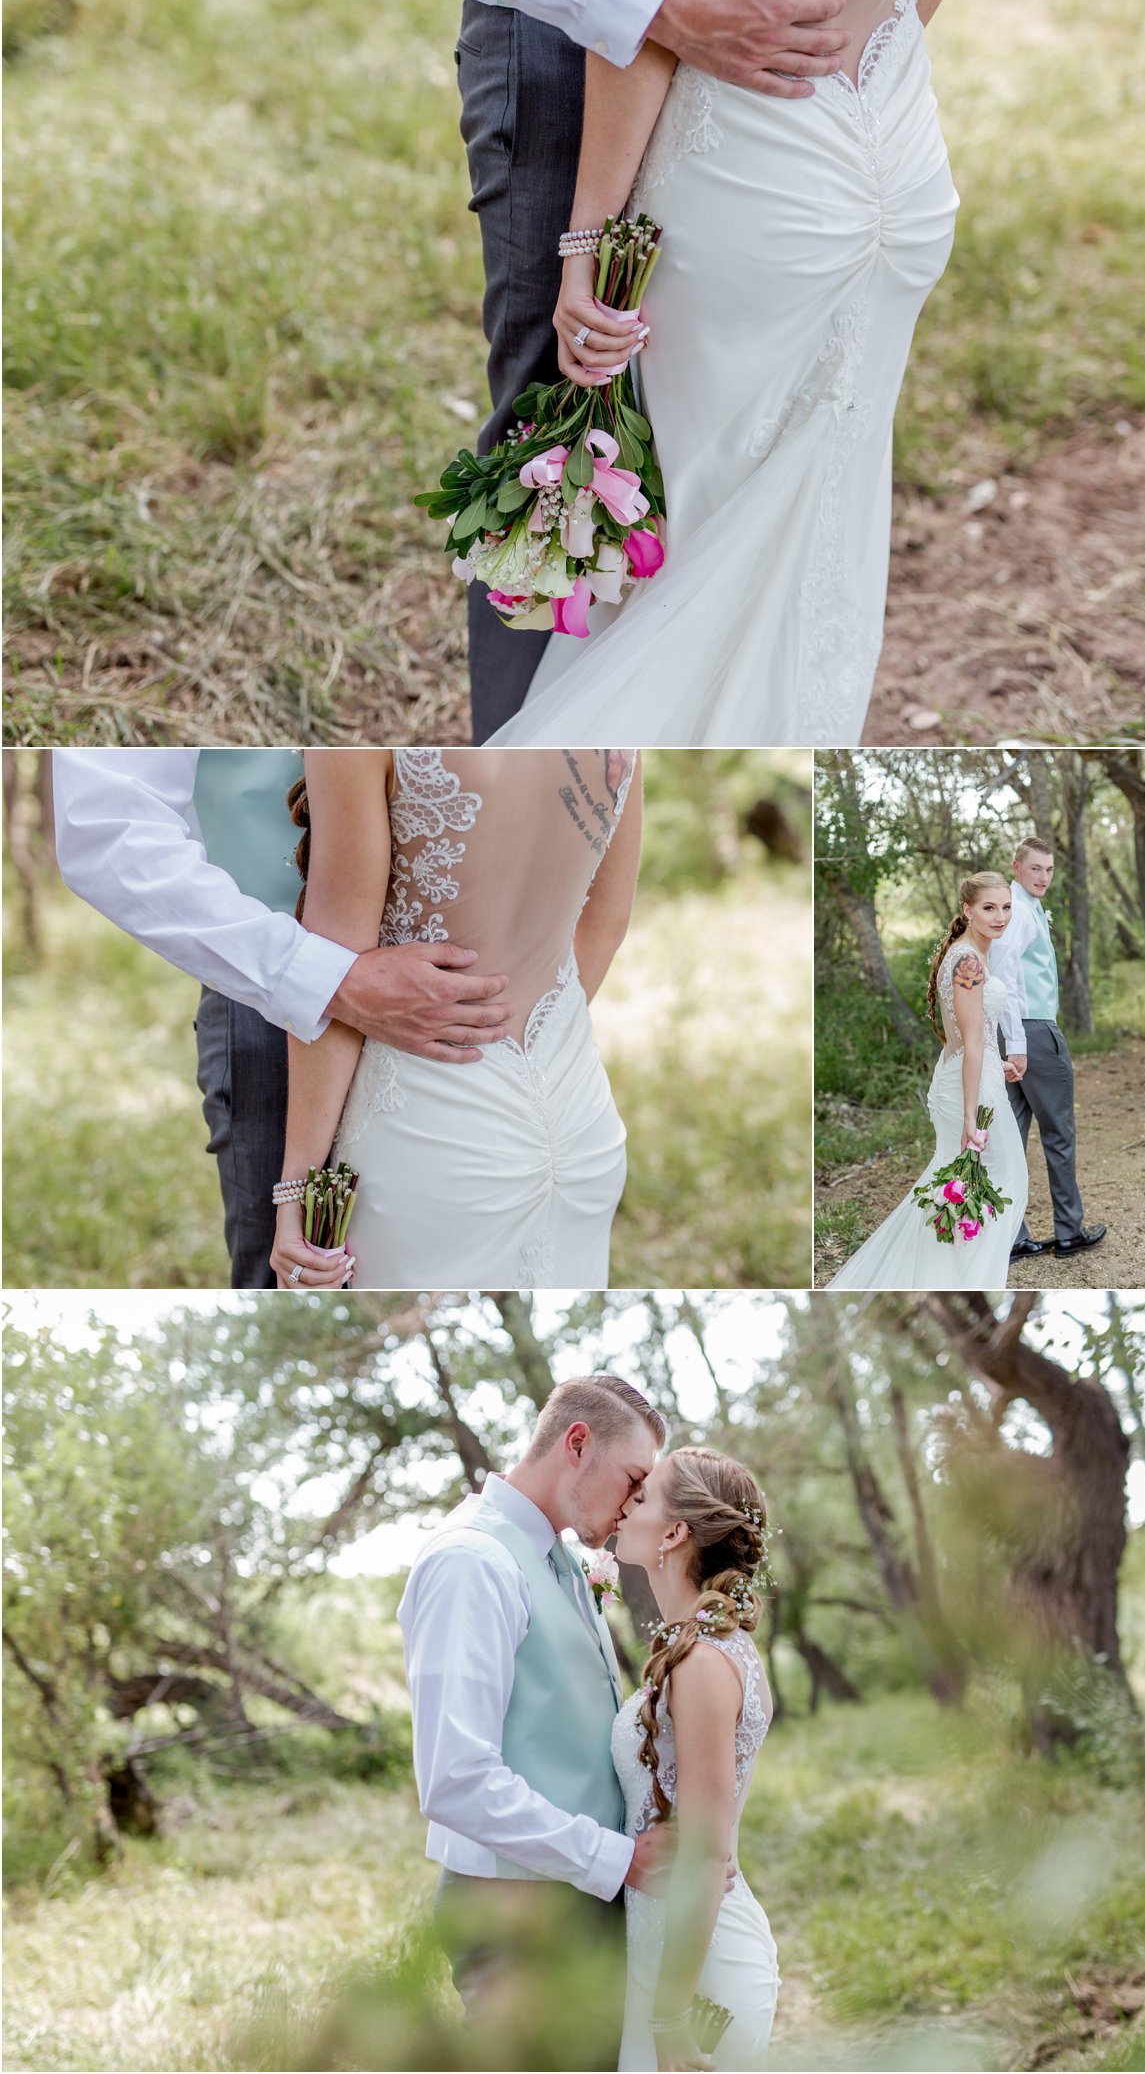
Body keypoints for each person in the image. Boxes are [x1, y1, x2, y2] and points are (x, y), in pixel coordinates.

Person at [475, 0, 960, 746]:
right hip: (890, 156)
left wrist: (588, 243)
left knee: (630, 477)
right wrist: (857, 89)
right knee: (801, 508)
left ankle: (553, 759)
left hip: (745, 162)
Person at [51, 749, 515, 1287]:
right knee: (292, 1277)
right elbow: (104, 819)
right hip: (270, 991)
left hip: (461, 1019)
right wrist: (321, 979)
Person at [269, 746, 640, 1289]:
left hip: (427, 1137)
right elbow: (607, 921)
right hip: (582, 1119)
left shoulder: (352, 742)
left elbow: (337, 980)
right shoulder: (619, 735)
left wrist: (296, 1191)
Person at [397, 1376, 673, 2071]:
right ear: (577, 1444)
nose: (636, 1503)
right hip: (516, 1916)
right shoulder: (472, 1561)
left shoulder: (566, 1560)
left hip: (578, 1899)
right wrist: (617, 1861)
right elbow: (456, 1779)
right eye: (633, 1479)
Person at [612, 1445, 780, 2071]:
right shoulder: (701, 1648)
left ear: (676, 1532)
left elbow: (707, 1855)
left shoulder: (706, 1662)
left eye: (643, 1497)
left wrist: (671, 2016)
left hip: (697, 1972)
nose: (625, 1505)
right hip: (664, 1946)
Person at [828, 872, 1029, 1288]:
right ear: (967, 910)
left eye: (1006, 907)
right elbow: (971, 1041)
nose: (1000, 916)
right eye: (989, 908)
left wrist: (997, 1063)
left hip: (969, 1076)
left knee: (961, 1188)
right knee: (1001, 1182)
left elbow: (969, 1037)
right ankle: (967, 1279)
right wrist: (971, 1118)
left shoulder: (967, 952)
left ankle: (951, 1275)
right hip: (969, 1092)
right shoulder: (970, 959)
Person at [988, 836, 1107, 1262]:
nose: (1043, 877)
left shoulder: (1020, 908)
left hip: (1009, 1032)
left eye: (1049, 869)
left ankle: (1013, 1236)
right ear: (1016, 867)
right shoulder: (1017, 911)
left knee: (1011, 1134)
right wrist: (1018, 1040)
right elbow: (1004, 973)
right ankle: (1069, 1231)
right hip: (1031, 1031)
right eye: (1035, 868)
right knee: (1058, 1133)